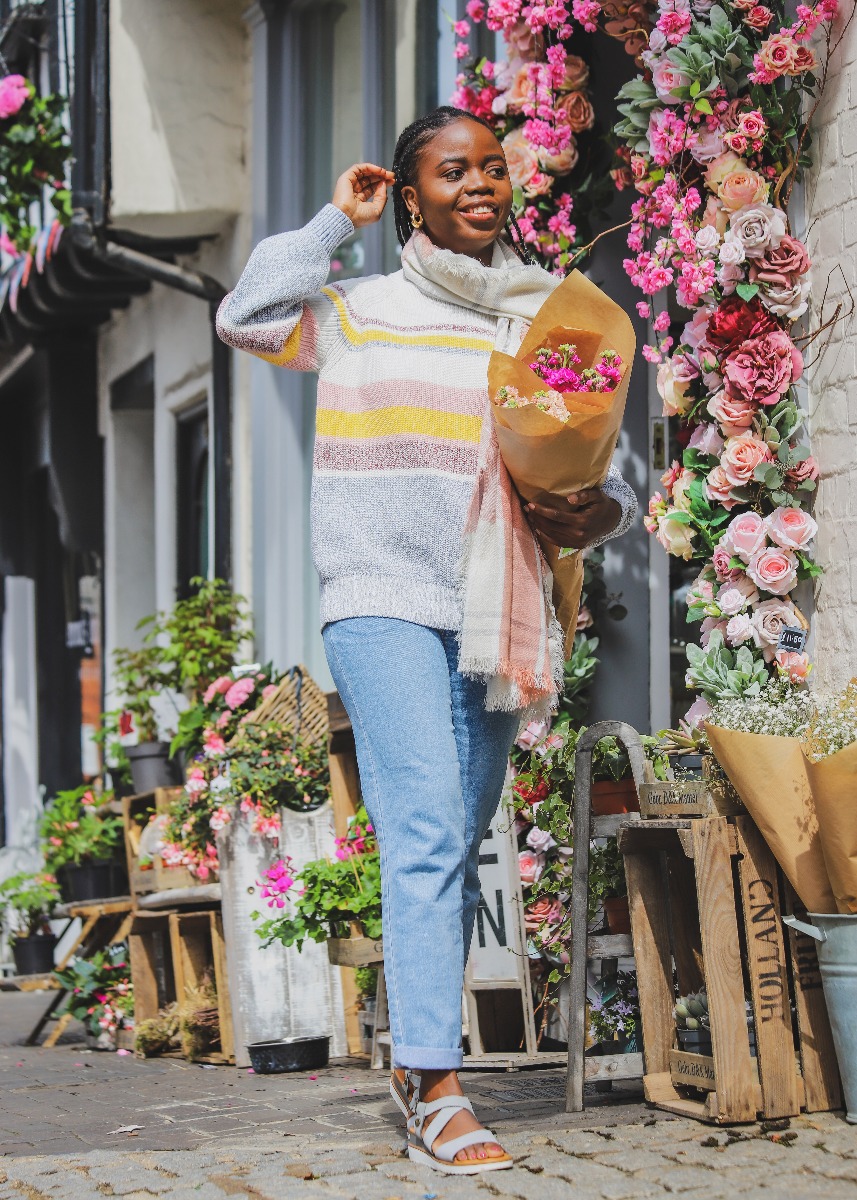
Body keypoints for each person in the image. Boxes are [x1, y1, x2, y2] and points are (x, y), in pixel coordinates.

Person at [217, 106, 637, 1176]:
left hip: (494, 609)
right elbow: (245, 314)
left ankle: (416, 1067)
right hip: (381, 597)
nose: (480, 185)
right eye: (453, 172)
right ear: (410, 194)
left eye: (493, 168)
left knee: (451, 840)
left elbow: (592, 461)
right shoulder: (358, 308)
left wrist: (603, 514)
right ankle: (436, 1083)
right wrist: (329, 222)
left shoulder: (545, 314)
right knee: (420, 828)